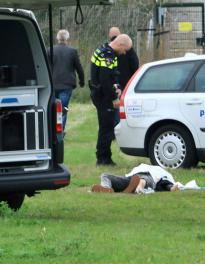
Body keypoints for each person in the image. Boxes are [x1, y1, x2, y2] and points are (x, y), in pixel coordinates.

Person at [89, 34, 132, 166]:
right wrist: (114, 98)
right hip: (104, 96)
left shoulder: (102, 50)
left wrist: (117, 87)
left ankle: (103, 157)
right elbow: (104, 79)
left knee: (105, 127)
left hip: (100, 93)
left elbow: (110, 76)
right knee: (106, 128)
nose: (124, 53)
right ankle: (103, 159)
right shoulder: (108, 55)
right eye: (125, 50)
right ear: (120, 44)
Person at [47, 29, 85, 132]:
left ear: (57, 38)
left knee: (52, 109)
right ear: (68, 39)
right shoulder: (72, 51)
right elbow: (79, 68)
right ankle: (60, 131)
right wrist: (82, 82)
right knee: (63, 109)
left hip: (52, 84)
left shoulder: (49, 50)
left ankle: (51, 131)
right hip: (67, 84)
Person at [108, 27, 139, 128]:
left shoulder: (108, 49)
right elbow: (135, 62)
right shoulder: (127, 47)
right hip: (125, 80)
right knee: (122, 105)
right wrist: (132, 77)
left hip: (111, 82)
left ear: (110, 36)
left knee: (113, 105)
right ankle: (120, 126)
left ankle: (113, 126)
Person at [92, 164, 180, 194]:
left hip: (149, 178)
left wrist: (171, 187)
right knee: (105, 175)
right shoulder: (142, 167)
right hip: (131, 178)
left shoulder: (161, 173)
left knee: (141, 180)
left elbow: (165, 183)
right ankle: (106, 189)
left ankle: (137, 190)